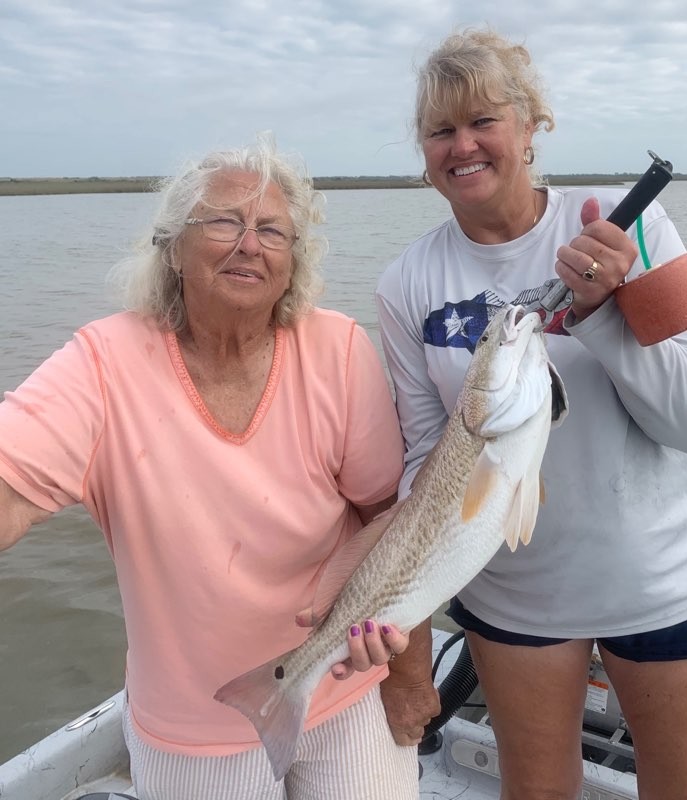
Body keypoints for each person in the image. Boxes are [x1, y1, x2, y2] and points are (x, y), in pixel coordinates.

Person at [0, 139, 425, 800]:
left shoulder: (338, 348)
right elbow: (12, 486)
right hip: (195, 723)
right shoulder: (102, 363)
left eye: (272, 230)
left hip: (342, 686)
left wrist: (408, 674)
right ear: (172, 247)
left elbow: (392, 524)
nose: (249, 244)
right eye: (224, 221)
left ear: (293, 263)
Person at [373, 26, 687, 800]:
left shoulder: (631, 227)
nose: (461, 145)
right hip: (513, 593)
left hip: (662, 578)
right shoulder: (406, 283)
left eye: (483, 120)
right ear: (424, 150)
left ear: (531, 127)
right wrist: (392, 601)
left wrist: (606, 313)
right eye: (440, 130)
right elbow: (422, 458)